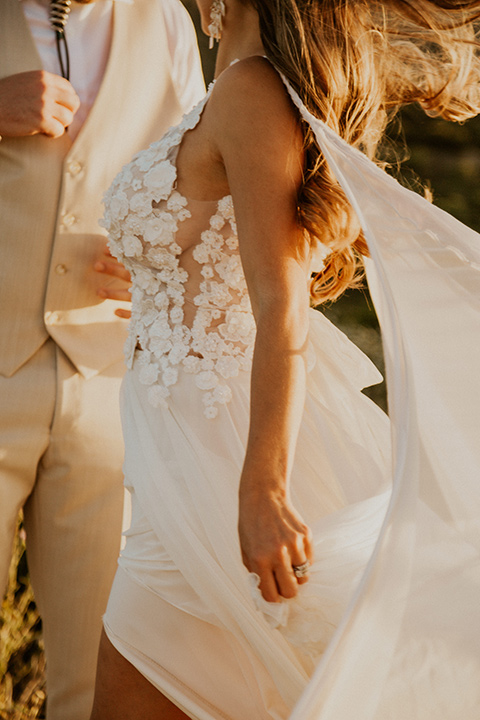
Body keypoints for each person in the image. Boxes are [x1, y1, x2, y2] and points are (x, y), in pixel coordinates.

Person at [90, 1, 480, 718]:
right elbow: (221, 253)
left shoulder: (250, 92)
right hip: (177, 447)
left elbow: (283, 305)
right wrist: (155, 282)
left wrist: (262, 489)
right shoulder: (235, 89)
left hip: (222, 452)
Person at [0, 1, 205, 718]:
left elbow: (200, 184)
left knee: (100, 676)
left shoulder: (167, 23)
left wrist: (161, 257)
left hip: (108, 384)